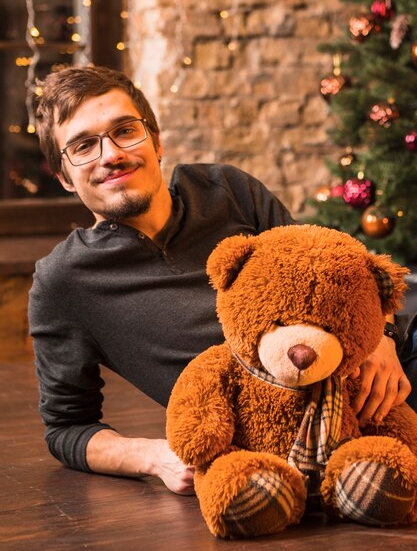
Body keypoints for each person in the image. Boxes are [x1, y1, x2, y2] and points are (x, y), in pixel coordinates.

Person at [28, 65, 412, 496]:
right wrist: (156, 457)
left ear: (156, 142)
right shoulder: (63, 282)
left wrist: (383, 336)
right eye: (83, 146)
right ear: (63, 176)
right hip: (273, 447)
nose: (110, 154)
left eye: (125, 130)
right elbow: (66, 427)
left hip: (378, 386)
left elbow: (325, 274)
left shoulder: (226, 189)